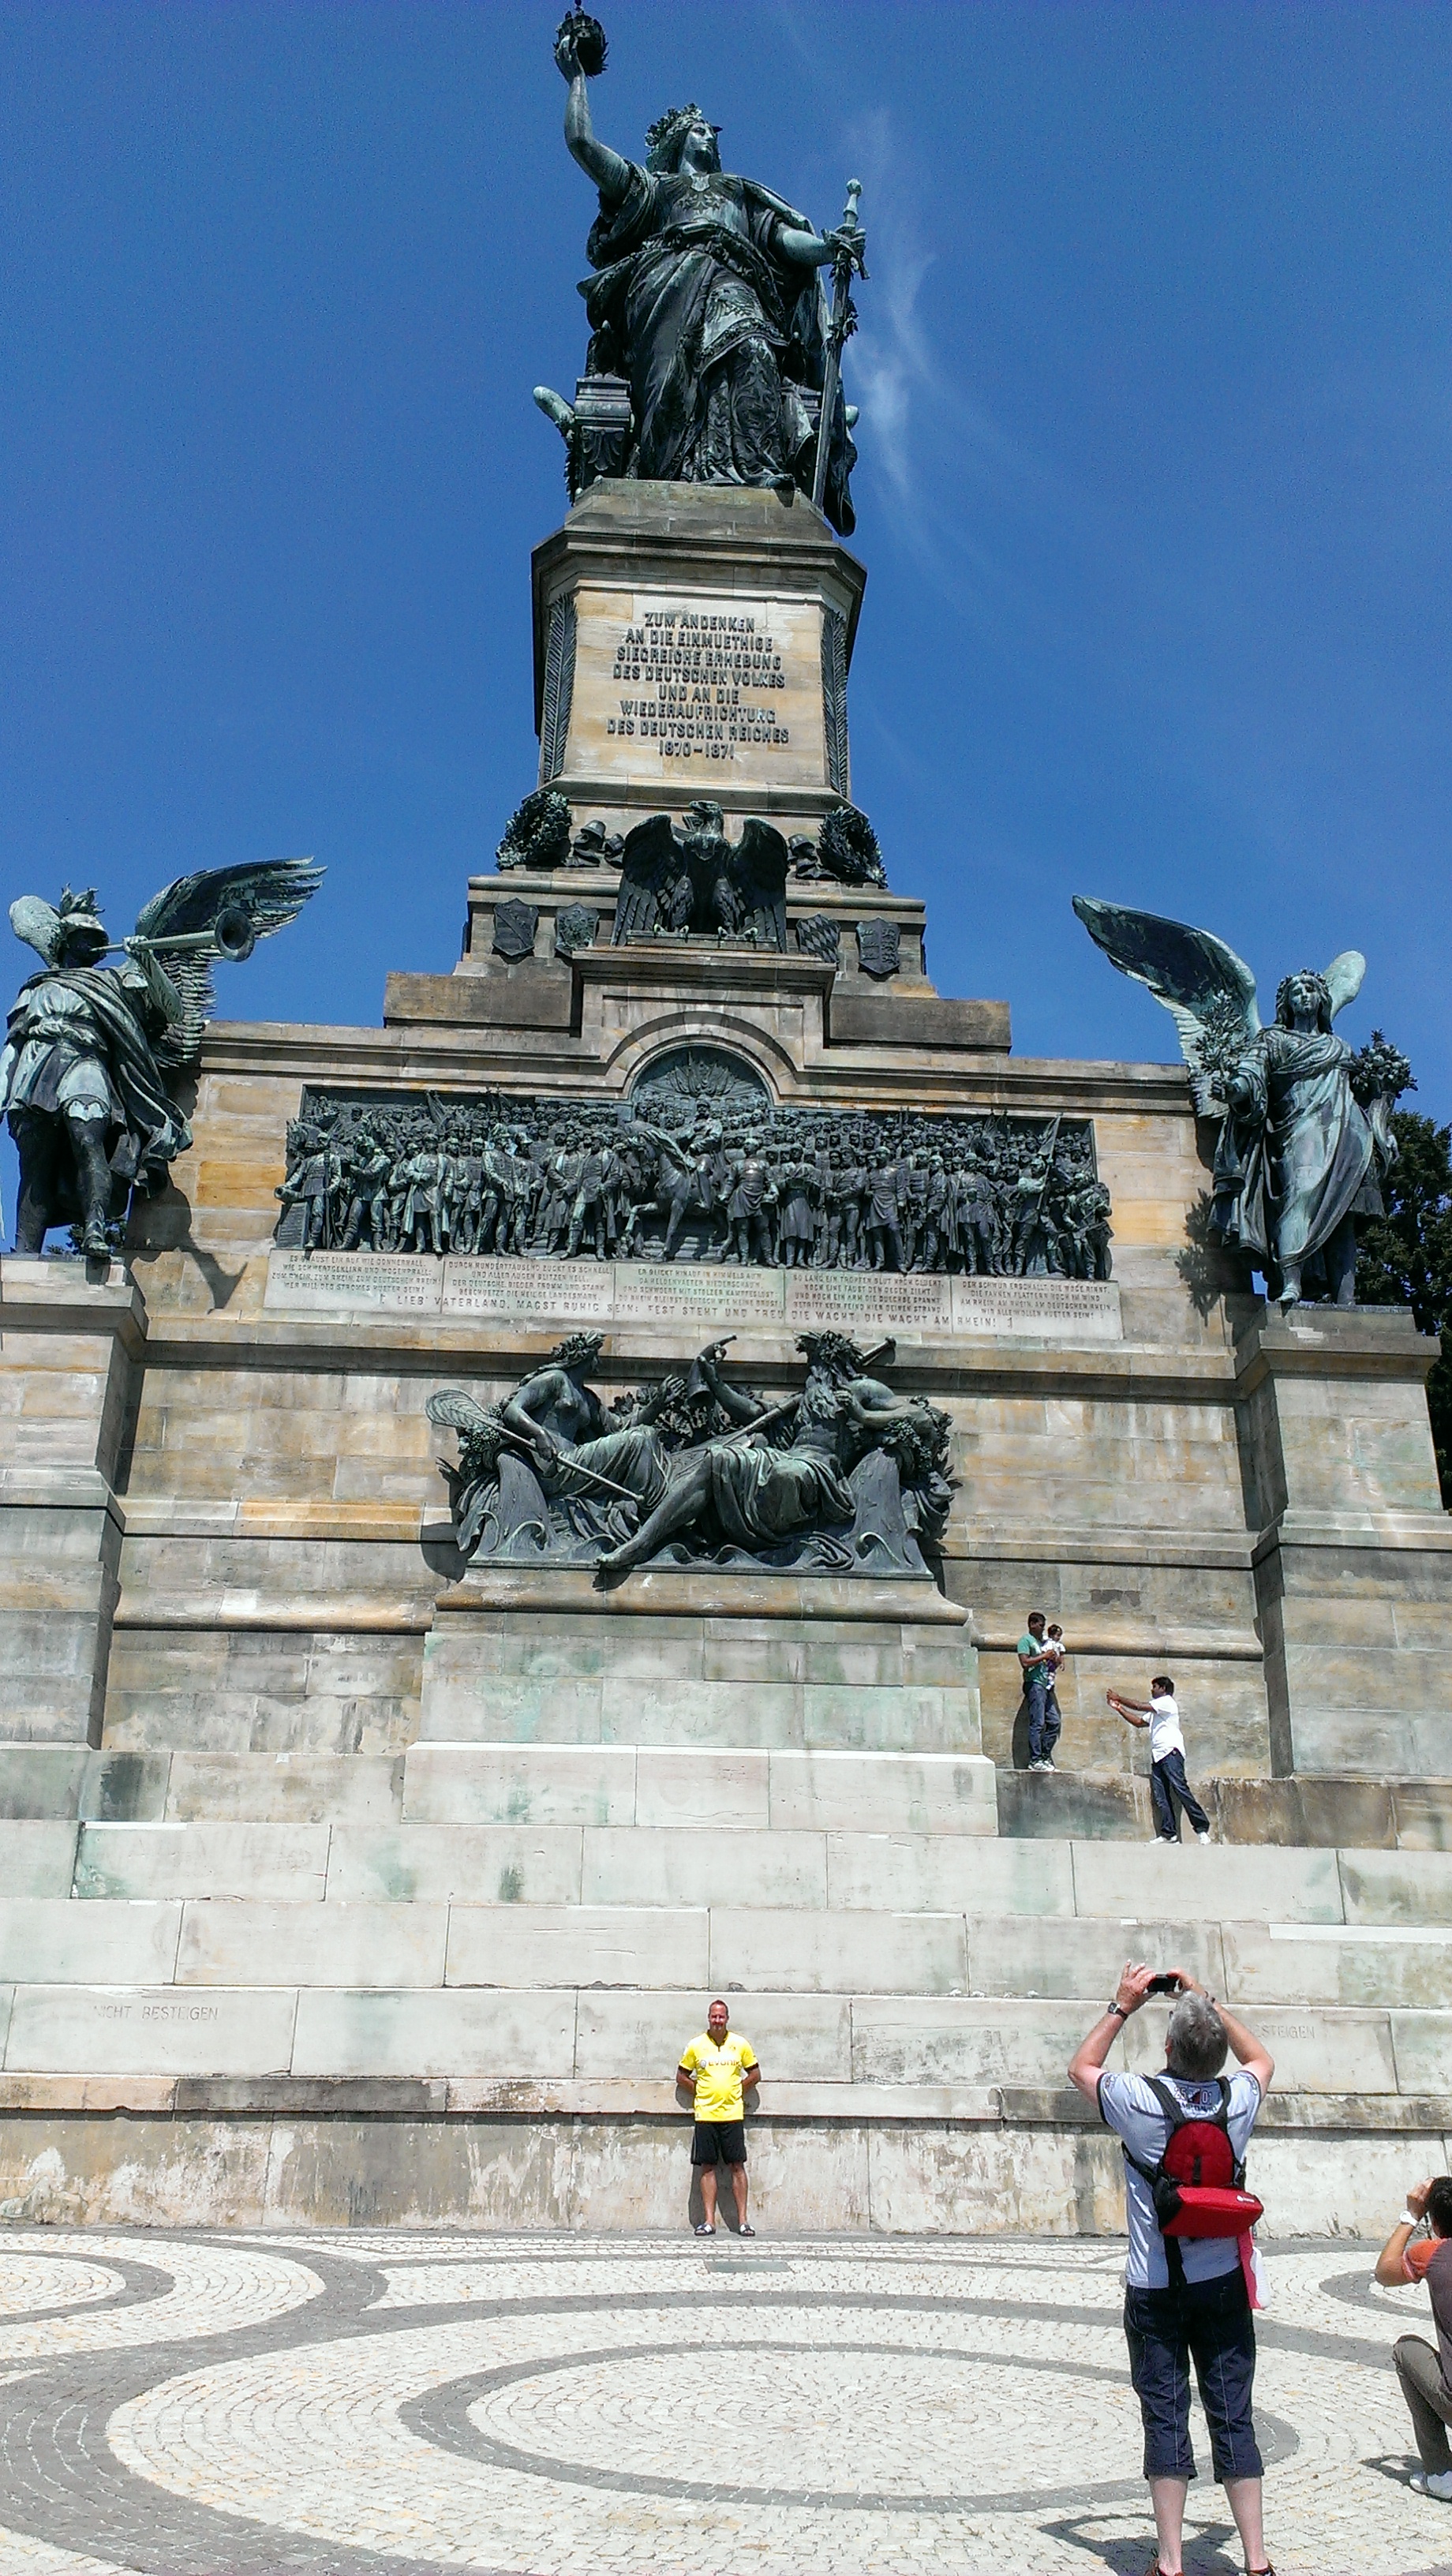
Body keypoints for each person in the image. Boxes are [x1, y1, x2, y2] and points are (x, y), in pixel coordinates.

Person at [1069, 1968, 1276, 2576]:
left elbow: (1082, 2067)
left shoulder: (1139, 2100)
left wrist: (1123, 2004)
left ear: (1167, 2048)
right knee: (1233, 2413)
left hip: (1156, 2283)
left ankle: (1170, 2561)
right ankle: (1257, 2561)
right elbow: (1260, 2058)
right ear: (1214, 2052)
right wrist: (1206, 2001)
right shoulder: (1236, 2099)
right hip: (1223, 2284)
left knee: (1165, 2413)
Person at [1374, 2174, 1452, 2498]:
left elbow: (1384, 2272)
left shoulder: (1432, 2253)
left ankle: (1440, 2472)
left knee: (1406, 2349)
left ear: (1434, 2224)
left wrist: (1410, 2215)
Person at [677, 1998, 759, 2237]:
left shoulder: (739, 2044)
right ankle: (709, 2221)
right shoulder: (696, 2045)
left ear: (727, 2018)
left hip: (733, 2115)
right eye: (714, 2016)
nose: (717, 2020)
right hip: (706, 2115)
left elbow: (755, 2073)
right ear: (708, 2018)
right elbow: (681, 2076)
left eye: (721, 2016)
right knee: (707, 2168)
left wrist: (738, 2090)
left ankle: (743, 2221)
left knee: (737, 2166)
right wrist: (700, 2091)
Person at [1108, 1676, 1211, 1845]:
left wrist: (1119, 1697)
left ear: (1163, 1688)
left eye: (1154, 1686)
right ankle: (1169, 1834)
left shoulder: (1167, 1702)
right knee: (1161, 1796)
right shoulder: (1155, 1711)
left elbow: (1139, 1706)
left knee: (1180, 1789)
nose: (1152, 1690)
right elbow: (1139, 1722)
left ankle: (1201, 1828)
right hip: (1158, 1755)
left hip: (1171, 1752)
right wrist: (1119, 1708)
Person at [1017, 1612, 1057, 1772]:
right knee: (1038, 1723)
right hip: (1034, 1684)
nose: (1043, 1629)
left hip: (1045, 1685)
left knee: (1054, 1721)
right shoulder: (1025, 1641)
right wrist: (1043, 1656)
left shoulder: (1041, 1643)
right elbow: (1025, 1662)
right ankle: (1035, 1760)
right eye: (1041, 1625)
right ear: (1032, 1624)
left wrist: (1053, 1659)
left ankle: (1045, 1756)